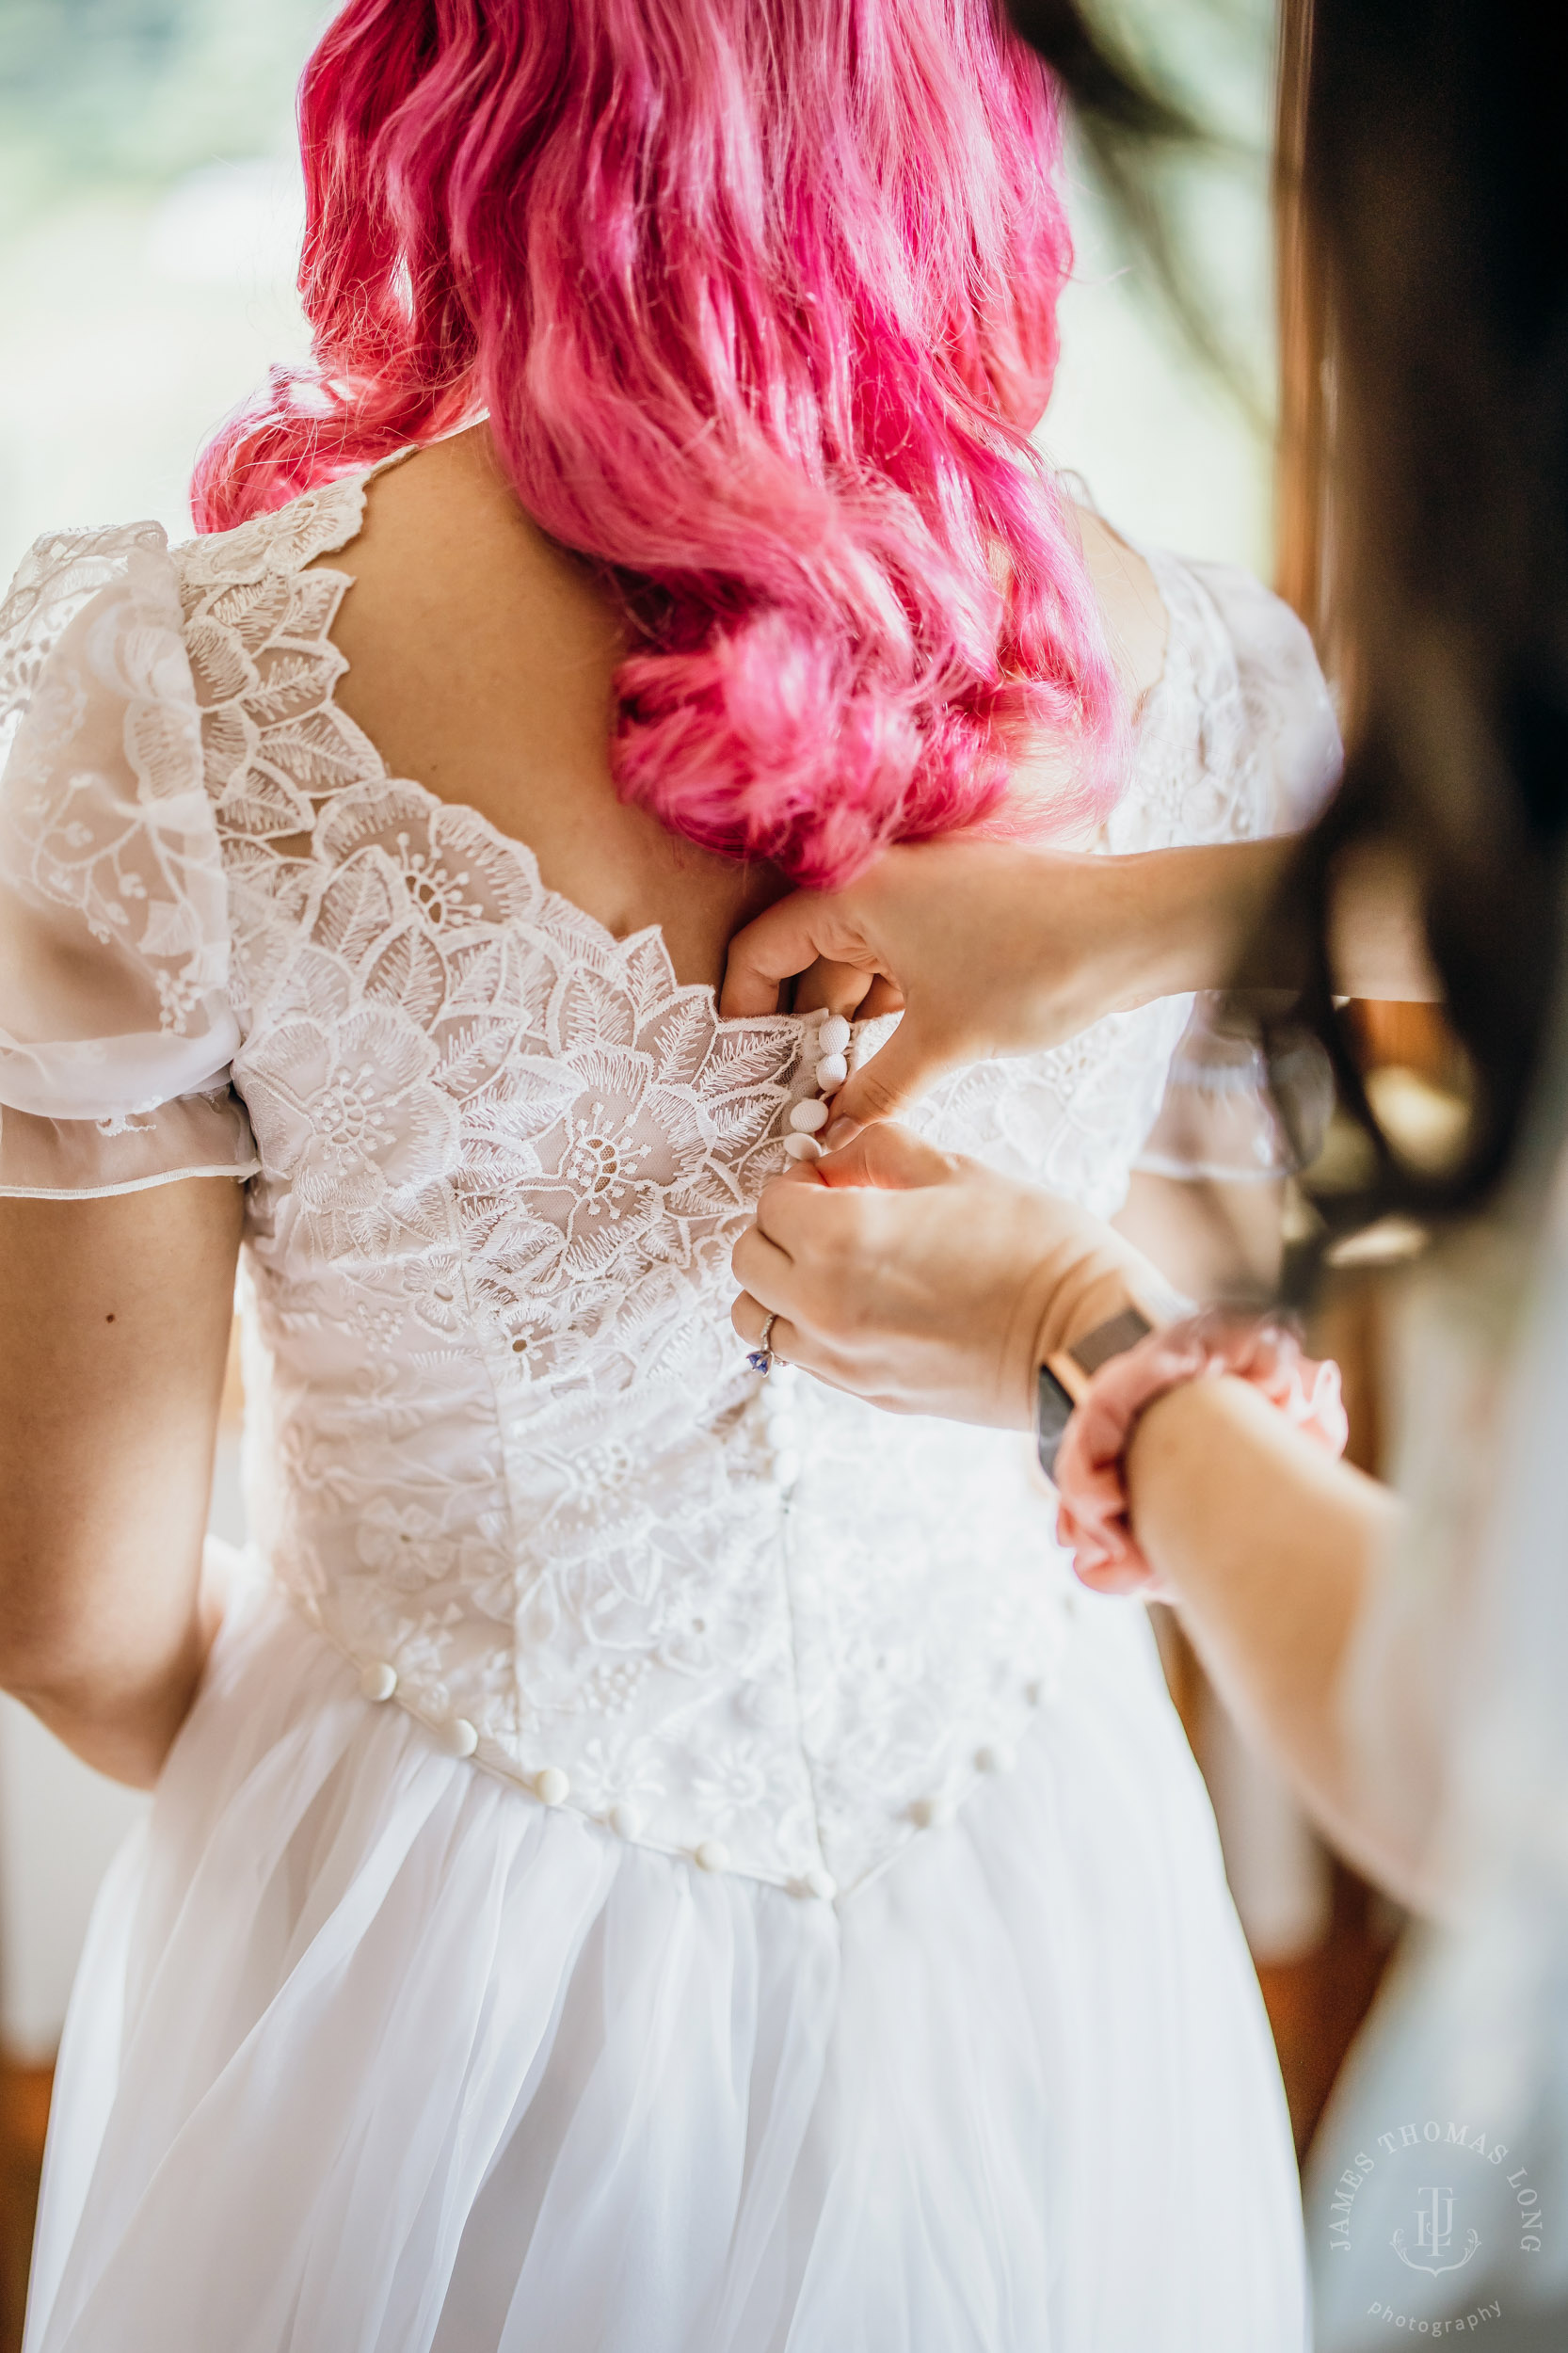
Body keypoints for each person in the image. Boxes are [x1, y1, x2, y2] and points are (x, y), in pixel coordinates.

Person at [0, 4, 1336, 2348]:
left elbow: (69, 1614)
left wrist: (373, 1746)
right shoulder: (1222, 690)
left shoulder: (165, 693)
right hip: (1031, 1875)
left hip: (410, 1922)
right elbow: (1228, 1349)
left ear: (453, 81)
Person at [728, 0, 1568, 2341]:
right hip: (1054, 1844)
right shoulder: (1202, 658)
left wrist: (1074, 1346)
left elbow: (1466, 1749)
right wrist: (1135, 914)